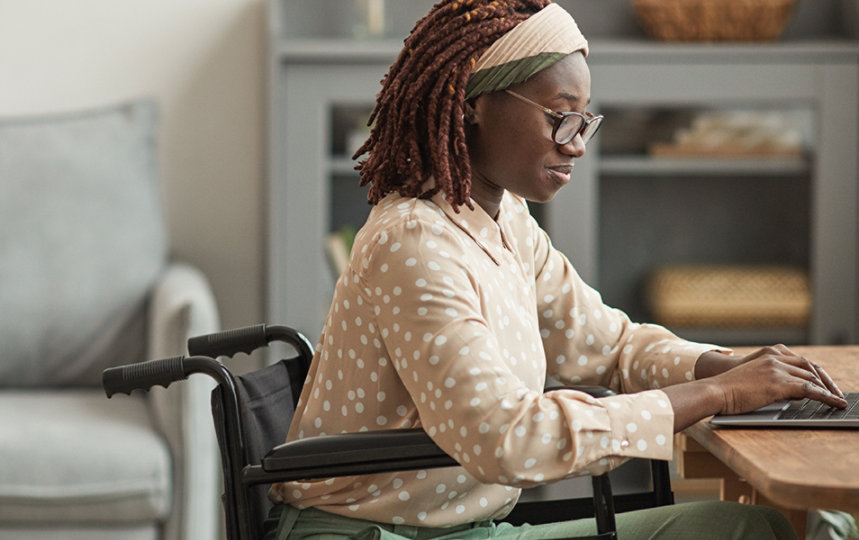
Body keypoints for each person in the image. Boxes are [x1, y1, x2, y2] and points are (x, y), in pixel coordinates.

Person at [265, 1, 846, 538]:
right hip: (371, 535)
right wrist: (716, 393)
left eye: (583, 122)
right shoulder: (414, 243)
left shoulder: (504, 221)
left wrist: (724, 366)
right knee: (749, 532)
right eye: (559, 118)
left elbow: (611, 346)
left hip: (459, 530)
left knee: (758, 526)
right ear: (473, 106)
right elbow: (508, 438)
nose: (577, 145)